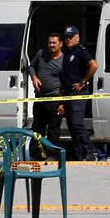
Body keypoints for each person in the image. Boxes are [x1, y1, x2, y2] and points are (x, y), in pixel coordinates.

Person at [60, 25, 98, 161]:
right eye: (66, 37)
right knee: (70, 124)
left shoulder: (81, 51)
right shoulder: (65, 53)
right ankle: (78, 153)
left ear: (78, 38)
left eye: (71, 37)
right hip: (68, 93)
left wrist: (84, 81)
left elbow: (94, 65)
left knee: (77, 123)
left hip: (79, 93)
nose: (68, 39)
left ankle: (89, 152)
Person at [29, 33, 65, 150]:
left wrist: (61, 103)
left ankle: (52, 155)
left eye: (54, 43)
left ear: (60, 44)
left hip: (54, 99)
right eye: (50, 43)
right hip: (39, 98)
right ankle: (36, 154)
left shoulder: (64, 60)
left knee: (53, 129)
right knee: (37, 128)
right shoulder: (41, 53)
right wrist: (34, 78)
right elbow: (31, 67)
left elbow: (65, 84)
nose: (52, 45)